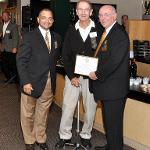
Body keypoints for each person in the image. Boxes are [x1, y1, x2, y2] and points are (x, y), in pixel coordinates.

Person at [55, 0, 103, 149]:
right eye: (80, 9)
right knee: (68, 107)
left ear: (91, 12)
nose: (83, 12)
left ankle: (86, 136)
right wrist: (71, 76)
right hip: (73, 77)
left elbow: (103, 54)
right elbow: (66, 55)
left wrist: (98, 71)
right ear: (76, 12)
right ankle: (64, 135)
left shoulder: (99, 30)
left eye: (86, 9)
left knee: (90, 109)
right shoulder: (70, 30)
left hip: (92, 77)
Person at [16, 8, 61, 150]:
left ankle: (40, 138)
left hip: (49, 83)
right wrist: (25, 81)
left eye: (50, 18)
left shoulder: (57, 38)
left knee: (43, 113)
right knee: (28, 113)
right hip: (31, 82)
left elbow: (54, 59)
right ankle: (29, 140)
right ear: (38, 19)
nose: (46, 20)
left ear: (52, 21)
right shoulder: (29, 36)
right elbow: (21, 60)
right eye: (43, 17)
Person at [89, 5, 129, 150]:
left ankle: (115, 147)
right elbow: (101, 56)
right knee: (110, 123)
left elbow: (114, 61)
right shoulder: (106, 32)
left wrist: (97, 74)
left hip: (114, 90)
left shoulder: (119, 34)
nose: (103, 18)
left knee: (114, 125)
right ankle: (111, 145)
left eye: (106, 14)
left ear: (114, 15)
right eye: (100, 15)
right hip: (108, 88)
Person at [0, 10, 19, 83]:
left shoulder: (13, 25)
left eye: (5, 16)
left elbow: (15, 37)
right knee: (4, 65)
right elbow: (2, 36)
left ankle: (16, 79)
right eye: (3, 16)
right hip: (3, 48)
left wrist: (15, 47)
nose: (4, 17)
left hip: (11, 48)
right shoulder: (1, 25)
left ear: (9, 16)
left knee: (12, 65)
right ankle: (9, 77)